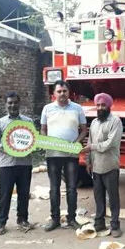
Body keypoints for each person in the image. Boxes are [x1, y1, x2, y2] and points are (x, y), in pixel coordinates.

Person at [40, 80, 87, 231]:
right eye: (59, 91)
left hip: (71, 154)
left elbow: (84, 130)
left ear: (69, 92)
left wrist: (75, 144)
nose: (62, 94)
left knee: (72, 188)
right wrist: (46, 142)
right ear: (54, 94)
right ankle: (55, 220)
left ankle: (72, 219)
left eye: (64, 91)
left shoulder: (77, 108)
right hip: (53, 154)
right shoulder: (47, 109)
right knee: (54, 188)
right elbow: (43, 130)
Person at [0, 91, 33, 235]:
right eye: (10, 103)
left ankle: (23, 220)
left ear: (19, 103)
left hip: (25, 164)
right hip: (6, 164)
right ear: (6, 105)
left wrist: (31, 146)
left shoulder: (28, 122)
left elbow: (33, 140)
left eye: (15, 102)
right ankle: (0, 223)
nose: (13, 105)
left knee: (23, 194)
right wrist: (2, 147)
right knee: (5, 195)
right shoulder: (0, 123)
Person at [82, 93, 123, 238]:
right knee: (98, 196)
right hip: (96, 166)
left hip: (110, 165)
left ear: (109, 106)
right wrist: (88, 161)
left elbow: (109, 144)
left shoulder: (115, 122)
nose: (100, 108)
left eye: (103, 105)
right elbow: (89, 143)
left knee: (113, 197)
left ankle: (115, 225)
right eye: (98, 105)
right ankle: (99, 222)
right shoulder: (94, 123)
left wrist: (91, 147)